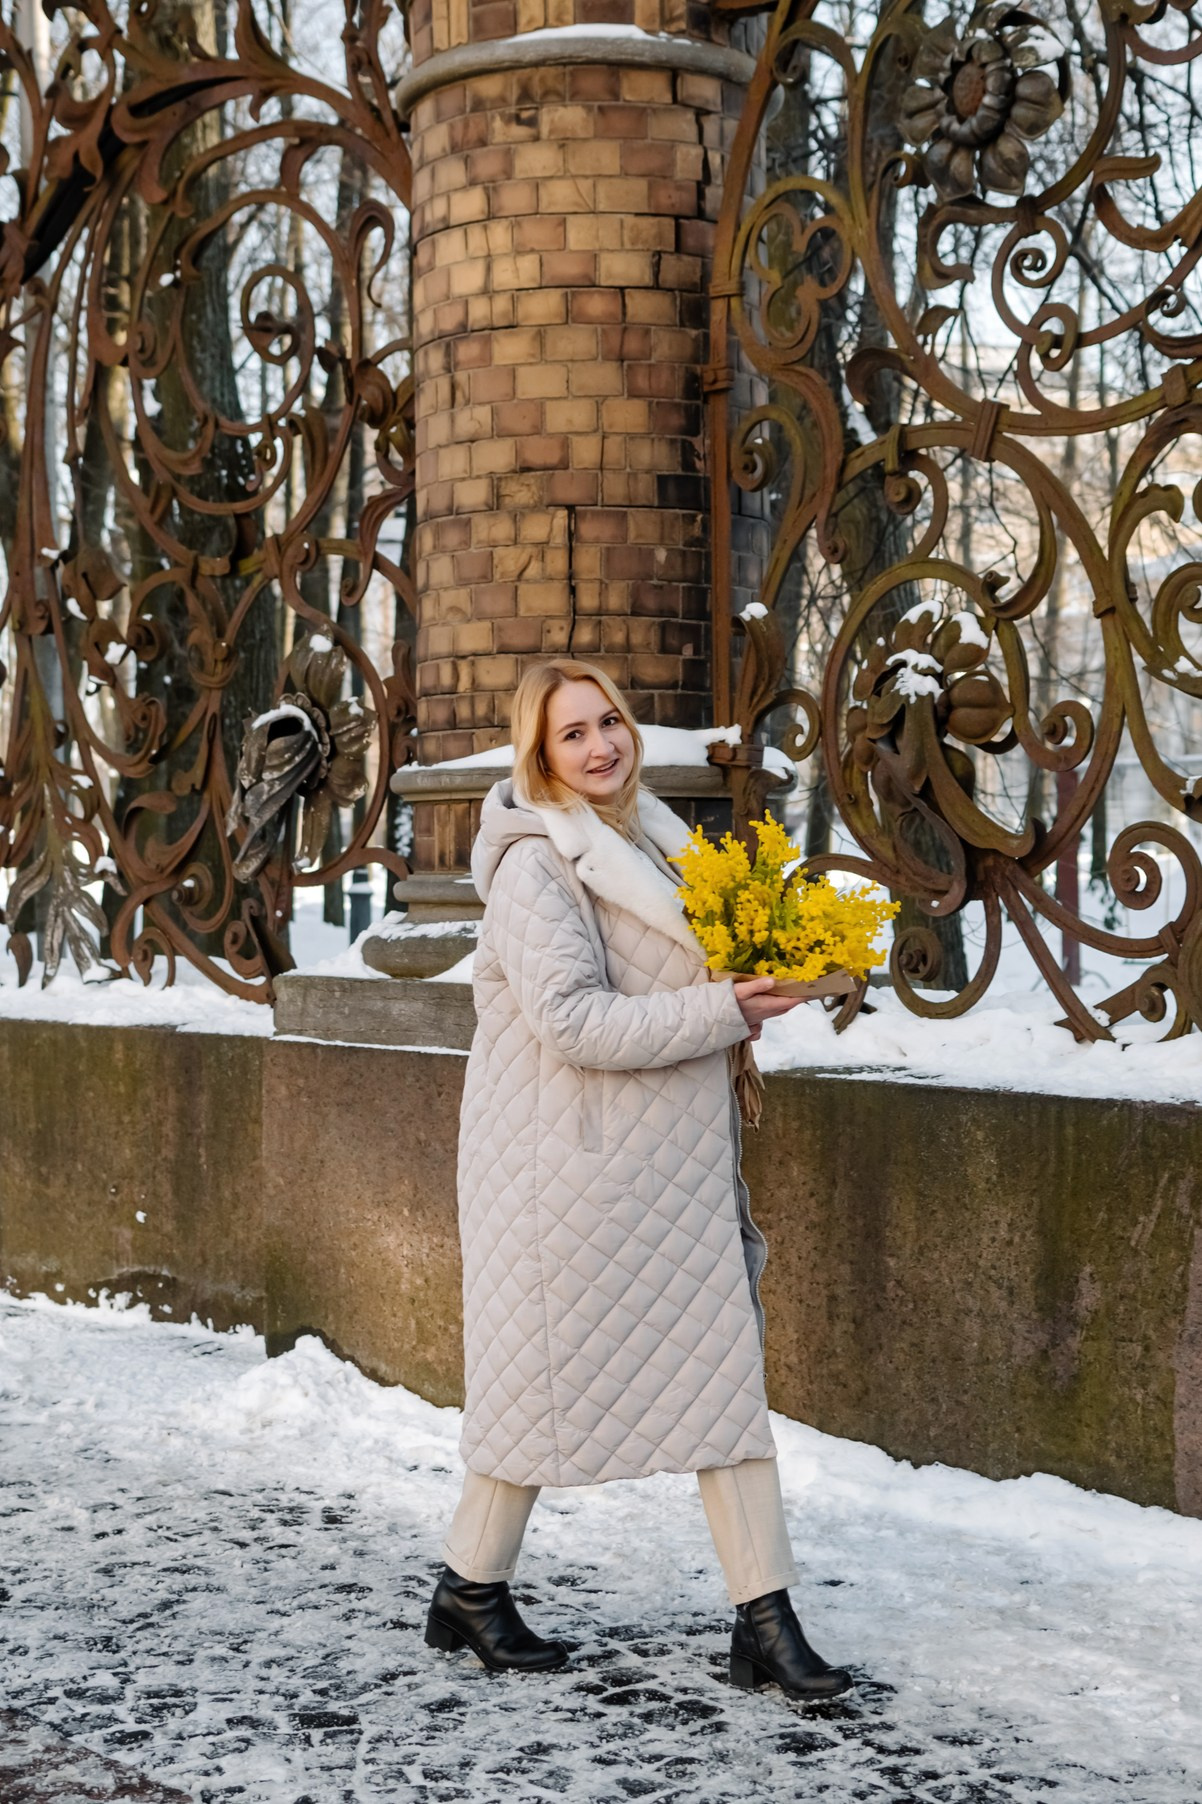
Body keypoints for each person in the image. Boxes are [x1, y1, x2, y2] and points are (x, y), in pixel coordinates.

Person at [424, 657, 852, 1702]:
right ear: (539, 755)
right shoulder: (535, 864)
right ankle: (470, 1591)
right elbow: (571, 1023)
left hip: (660, 1169)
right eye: (571, 734)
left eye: (608, 720)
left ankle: (763, 1619)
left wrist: (792, 967)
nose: (599, 745)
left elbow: (694, 971)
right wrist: (727, 1012)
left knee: (719, 1386)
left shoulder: (654, 838)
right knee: (535, 1391)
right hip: (561, 1171)